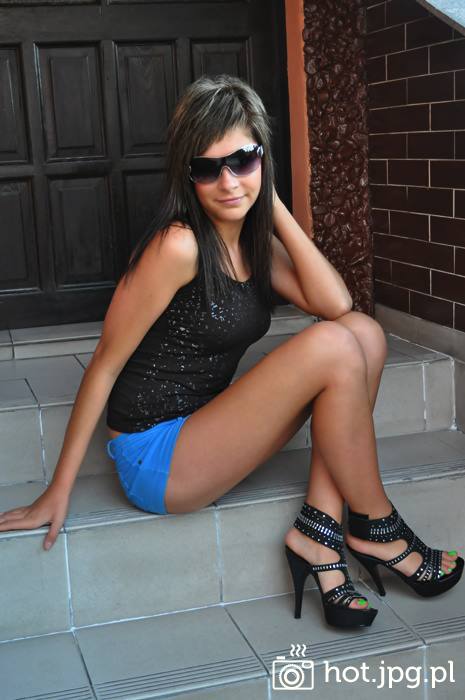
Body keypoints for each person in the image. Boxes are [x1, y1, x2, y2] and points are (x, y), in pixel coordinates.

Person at [0, 75, 462, 630]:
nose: (228, 182)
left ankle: (319, 530)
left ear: (263, 158)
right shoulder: (178, 245)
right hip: (158, 454)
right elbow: (104, 364)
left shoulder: (251, 239)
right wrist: (57, 490)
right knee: (337, 344)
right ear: (188, 176)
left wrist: (271, 204)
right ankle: (376, 527)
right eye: (208, 169)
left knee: (364, 333)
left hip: (208, 423)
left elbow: (337, 303)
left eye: (243, 161)